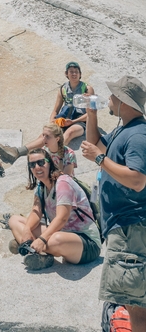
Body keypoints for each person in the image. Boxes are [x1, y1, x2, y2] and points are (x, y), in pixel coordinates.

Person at [81, 76, 146, 331]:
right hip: (124, 227)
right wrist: (91, 112)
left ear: (124, 102)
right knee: (133, 302)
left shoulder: (138, 135)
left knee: (136, 306)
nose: (110, 99)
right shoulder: (124, 130)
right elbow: (96, 143)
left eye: (113, 96)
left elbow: (138, 179)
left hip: (130, 227)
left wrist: (99, 159)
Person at [8, 148, 101, 271]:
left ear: (49, 163)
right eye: (32, 164)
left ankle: (29, 246)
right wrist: (26, 230)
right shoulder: (41, 187)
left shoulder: (63, 182)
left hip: (86, 242)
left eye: (41, 162)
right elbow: (36, 212)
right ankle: (40, 254)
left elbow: (62, 218)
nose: (37, 167)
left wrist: (41, 239)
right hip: (62, 233)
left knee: (56, 240)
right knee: (14, 220)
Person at [0, 62, 93, 163]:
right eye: (71, 72)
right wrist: (52, 122)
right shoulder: (63, 89)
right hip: (64, 119)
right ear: (66, 74)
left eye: (76, 72)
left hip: (80, 122)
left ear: (80, 74)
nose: (74, 74)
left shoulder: (87, 89)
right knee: (46, 135)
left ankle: (48, 156)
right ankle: (17, 151)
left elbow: (90, 114)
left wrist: (72, 122)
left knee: (69, 133)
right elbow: (56, 110)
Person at [0, 123, 77, 174]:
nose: (43, 139)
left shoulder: (69, 154)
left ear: (57, 139)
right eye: (43, 135)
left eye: (48, 137)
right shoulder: (44, 151)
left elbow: (66, 178)